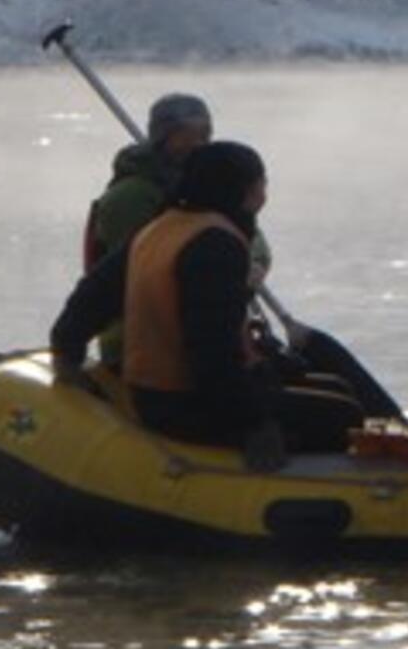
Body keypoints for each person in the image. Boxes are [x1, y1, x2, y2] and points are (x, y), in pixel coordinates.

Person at [51, 142, 381, 471]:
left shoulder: (158, 228)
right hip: (185, 403)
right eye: (261, 184)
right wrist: (254, 423)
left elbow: (91, 296)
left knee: (331, 381)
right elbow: (212, 352)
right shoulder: (215, 246)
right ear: (248, 190)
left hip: (151, 392)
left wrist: (67, 349)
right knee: (344, 416)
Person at [84, 93, 216, 268]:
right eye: (185, 138)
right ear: (161, 139)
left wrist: (255, 261)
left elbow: (248, 233)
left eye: (203, 136)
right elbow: (132, 265)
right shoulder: (129, 196)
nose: (196, 145)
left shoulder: (212, 183)